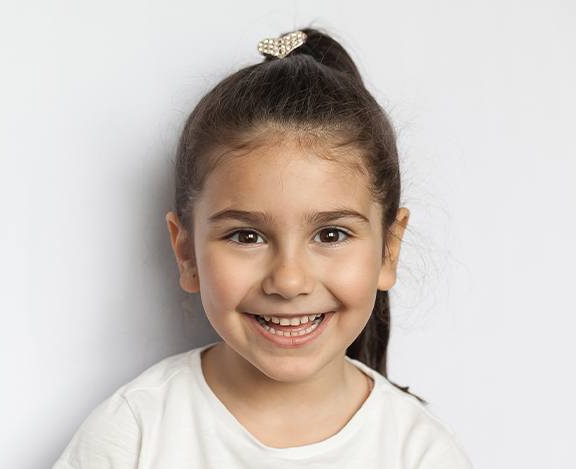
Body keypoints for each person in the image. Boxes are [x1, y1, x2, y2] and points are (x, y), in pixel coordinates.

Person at [52, 27, 473, 468]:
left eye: (331, 234)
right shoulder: (134, 431)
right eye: (246, 236)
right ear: (186, 253)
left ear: (388, 249)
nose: (289, 280)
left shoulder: (420, 452)